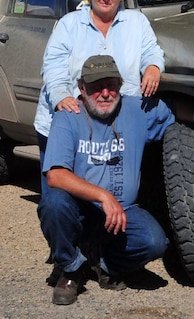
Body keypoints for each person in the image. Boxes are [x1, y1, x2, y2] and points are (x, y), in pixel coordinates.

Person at [38, 55, 176, 305]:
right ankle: (70, 268)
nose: (104, 93)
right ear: (81, 88)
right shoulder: (68, 115)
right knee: (53, 204)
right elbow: (55, 175)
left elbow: (177, 112)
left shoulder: (136, 109)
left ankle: (100, 262)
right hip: (81, 209)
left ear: (120, 86)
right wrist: (103, 196)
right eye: (95, 87)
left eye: (111, 85)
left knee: (155, 242)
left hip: (124, 211)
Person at [35, 0, 164, 188]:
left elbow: (151, 50)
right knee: (60, 200)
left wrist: (153, 66)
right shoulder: (69, 24)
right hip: (70, 120)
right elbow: (53, 67)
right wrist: (61, 97)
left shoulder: (137, 22)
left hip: (113, 126)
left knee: (114, 193)